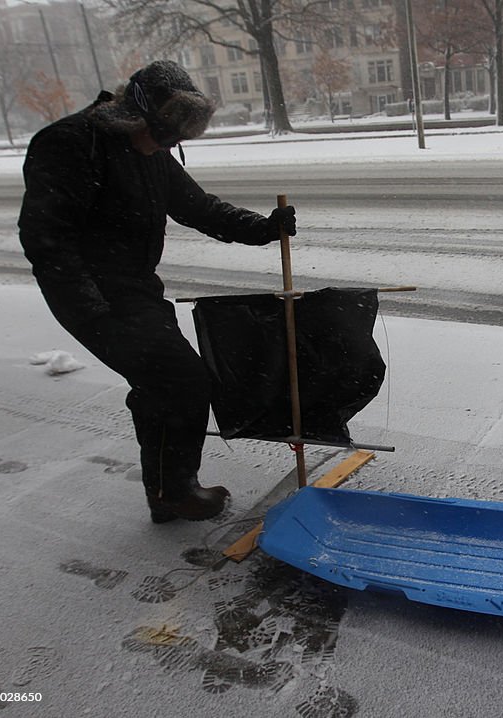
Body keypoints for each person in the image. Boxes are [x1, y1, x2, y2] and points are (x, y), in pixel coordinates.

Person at [18, 60, 297, 523]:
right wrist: (90, 307)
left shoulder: (151, 152)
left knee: (163, 385)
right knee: (181, 380)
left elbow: (199, 208)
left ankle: (167, 490)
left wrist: (262, 229)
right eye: (162, 136)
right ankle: (173, 491)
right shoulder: (69, 144)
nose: (165, 148)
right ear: (135, 114)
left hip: (135, 288)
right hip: (93, 295)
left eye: (175, 142)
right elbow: (46, 237)